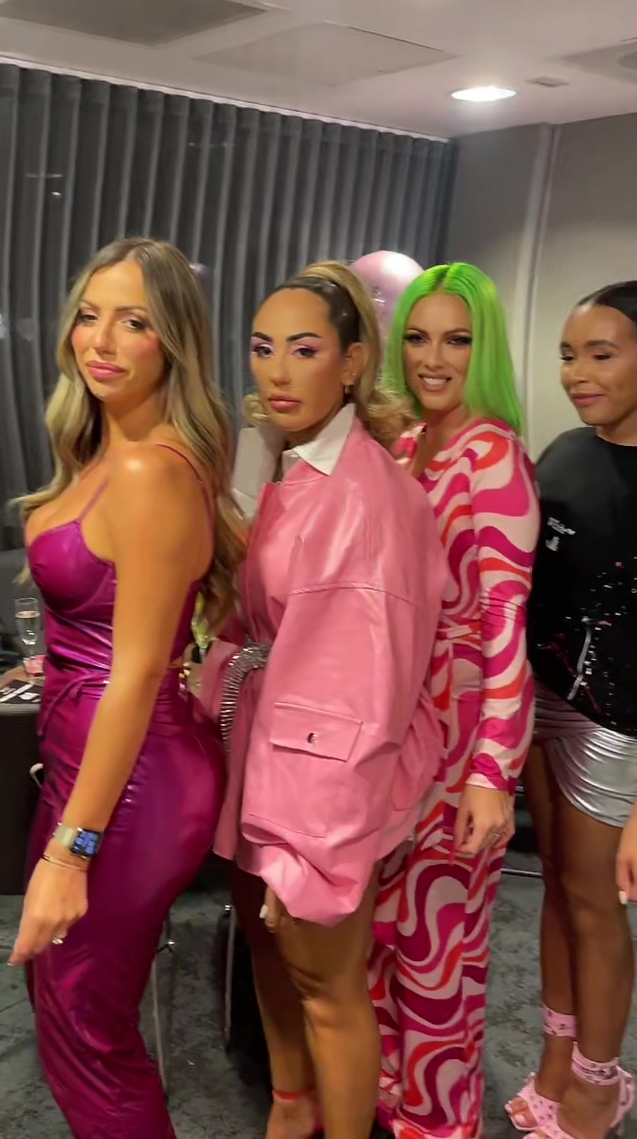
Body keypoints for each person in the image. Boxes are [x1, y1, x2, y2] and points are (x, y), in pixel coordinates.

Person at [199, 261, 449, 1139]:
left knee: (328, 988)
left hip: (315, 786)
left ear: (351, 363)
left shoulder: (364, 498)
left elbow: (360, 699)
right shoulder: (291, 463)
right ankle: (290, 1108)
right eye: (262, 348)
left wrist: (300, 844)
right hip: (264, 751)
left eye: (303, 350)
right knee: (273, 959)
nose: (277, 371)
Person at [9, 238, 244, 1138]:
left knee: (85, 1023)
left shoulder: (152, 470)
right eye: (89, 315)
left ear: (172, 342)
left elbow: (139, 670)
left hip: (135, 778)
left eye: (134, 322)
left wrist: (71, 854)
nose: (101, 341)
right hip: (91, 760)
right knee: (66, 1006)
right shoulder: (110, 454)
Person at [372, 262, 540, 1139]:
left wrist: (492, 775)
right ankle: (391, 1106)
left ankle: (439, 1125)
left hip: (462, 741)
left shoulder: (494, 454)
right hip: (393, 733)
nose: (433, 358)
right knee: (384, 945)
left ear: (486, 351)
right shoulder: (407, 447)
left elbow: (506, 625)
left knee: (439, 961)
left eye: (457, 339)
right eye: (418, 337)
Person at [506, 281, 637, 1139]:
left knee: (597, 907)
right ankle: (556, 1059)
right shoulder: (560, 454)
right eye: (568, 355)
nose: (576, 373)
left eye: (601, 353)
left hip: (617, 726)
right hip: (542, 703)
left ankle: (600, 1081)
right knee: (557, 890)